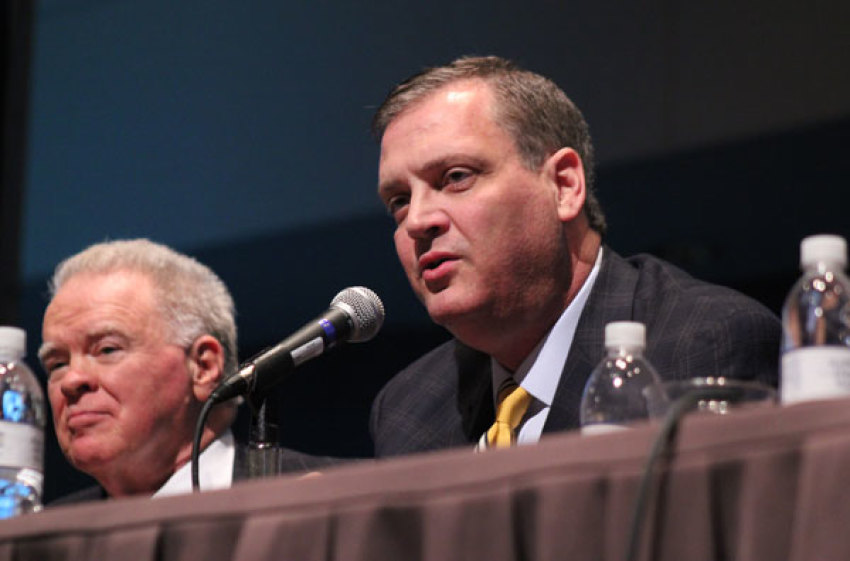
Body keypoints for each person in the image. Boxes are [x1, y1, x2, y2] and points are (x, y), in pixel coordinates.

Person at [369, 55, 781, 456]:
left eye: (456, 177)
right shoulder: (409, 408)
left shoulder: (701, 345)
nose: (417, 221)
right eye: (399, 201)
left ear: (563, 186)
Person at [38, 238, 241, 501]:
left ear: (203, 367)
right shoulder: (39, 535)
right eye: (58, 364)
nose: (71, 380)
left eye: (107, 350)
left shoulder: (307, 498)